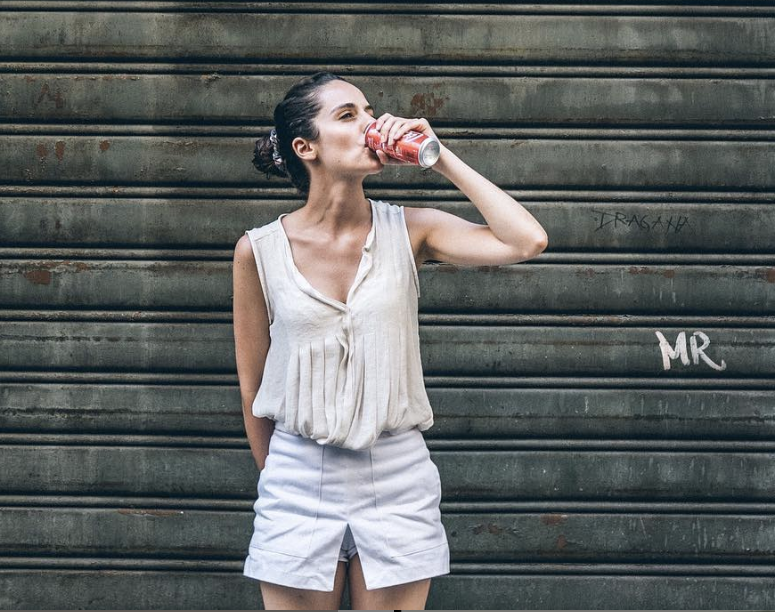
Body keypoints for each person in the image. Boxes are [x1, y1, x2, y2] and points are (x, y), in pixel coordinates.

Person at [233, 71, 548, 610]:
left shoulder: (411, 229)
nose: (371, 124)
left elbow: (527, 240)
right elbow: (252, 385)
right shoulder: (257, 251)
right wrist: (281, 478)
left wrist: (437, 154)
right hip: (297, 476)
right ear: (305, 146)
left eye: (369, 110)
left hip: (397, 474)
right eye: (348, 115)